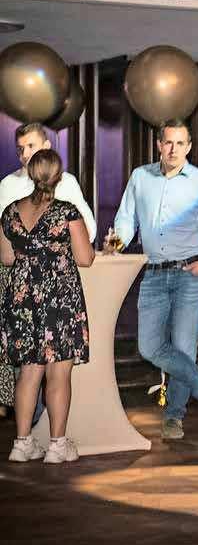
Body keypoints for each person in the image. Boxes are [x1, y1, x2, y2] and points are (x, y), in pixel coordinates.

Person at [104, 118, 198, 440]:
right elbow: (125, 221)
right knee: (149, 347)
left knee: (184, 349)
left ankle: (174, 417)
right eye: (168, 142)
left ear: (189, 147)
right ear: (159, 145)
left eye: (180, 143)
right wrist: (115, 244)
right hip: (153, 274)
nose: (173, 149)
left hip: (191, 273)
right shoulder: (140, 177)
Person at [2, 149, 94, 463]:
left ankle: (22, 443)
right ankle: (57, 445)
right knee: (58, 375)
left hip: (23, 300)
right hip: (59, 301)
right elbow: (85, 258)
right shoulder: (67, 212)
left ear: (31, 174)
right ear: (58, 176)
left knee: (28, 374)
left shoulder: (10, 212)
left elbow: (6, 258)